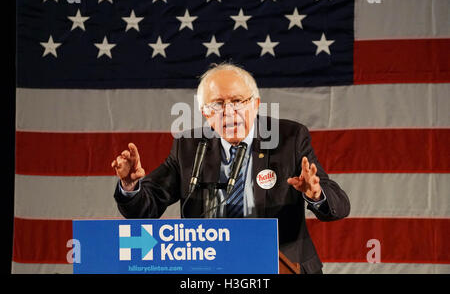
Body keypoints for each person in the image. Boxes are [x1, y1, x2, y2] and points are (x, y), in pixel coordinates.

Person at [112, 62, 350, 274]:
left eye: (237, 101)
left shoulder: (289, 138)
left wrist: (316, 195)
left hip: (283, 265)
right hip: (211, 266)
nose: (228, 112)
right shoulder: (188, 146)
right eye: (217, 104)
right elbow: (145, 209)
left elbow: (339, 206)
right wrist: (131, 186)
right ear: (205, 112)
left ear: (255, 104)